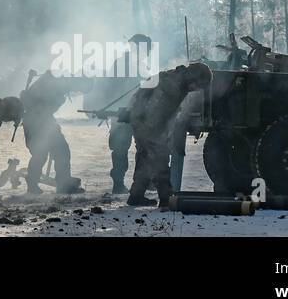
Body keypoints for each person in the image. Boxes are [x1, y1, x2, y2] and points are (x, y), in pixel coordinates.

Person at [128, 62, 213, 209]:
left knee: (144, 158)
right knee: (159, 159)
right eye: (198, 85)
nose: (196, 89)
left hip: (141, 121)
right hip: (147, 124)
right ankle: (166, 198)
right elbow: (156, 113)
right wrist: (157, 137)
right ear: (192, 78)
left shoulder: (177, 79)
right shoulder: (172, 87)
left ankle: (136, 196)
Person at [87, 34, 152, 194]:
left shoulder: (140, 64)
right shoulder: (123, 64)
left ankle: (144, 182)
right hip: (123, 112)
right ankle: (119, 183)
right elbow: (112, 88)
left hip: (138, 111)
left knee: (144, 147)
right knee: (121, 148)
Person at [20, 70, 84, 194]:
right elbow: (41, 107)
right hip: (36, 123)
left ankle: (61, 183)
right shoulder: (51, 87)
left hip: (45, 121)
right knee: (42, 154)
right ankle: (34, 185)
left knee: (60, 152)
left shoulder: (52, 84)